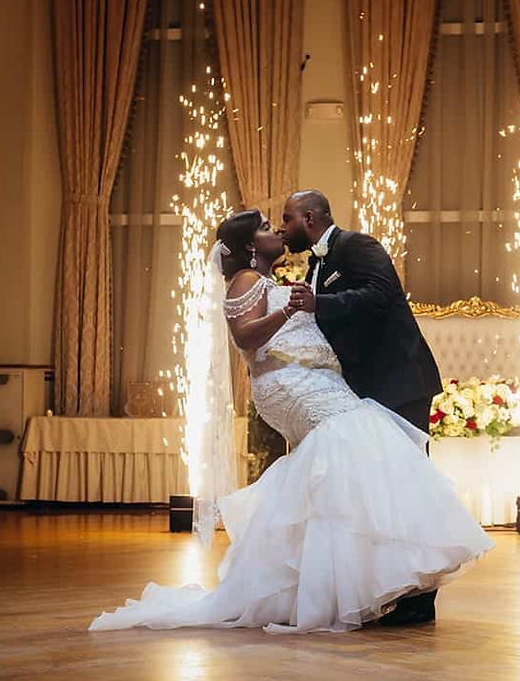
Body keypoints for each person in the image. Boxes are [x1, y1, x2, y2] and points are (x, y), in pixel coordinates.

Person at [88, 209, 492, 635]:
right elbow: (244, 335)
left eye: (279, 220)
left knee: (340, 469)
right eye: (265, 227)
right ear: (249, 246)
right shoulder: (246, 279)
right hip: (292, 385)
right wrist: (289, 311)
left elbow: (364, 302)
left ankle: (345, 588)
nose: (275, 230)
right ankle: (365, 587)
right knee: (363, 442)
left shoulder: (313, 265)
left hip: (313, 381)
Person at [281, 189, 444, 625]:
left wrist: (322, 303)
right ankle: (394, 588)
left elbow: (382, 294)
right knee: (380, 492)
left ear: (310, 217)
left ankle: (421, 599)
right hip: (365, 391)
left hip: (399, 383)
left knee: (408, 489)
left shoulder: (358, 246)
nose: (282, 228)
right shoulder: (314, 265)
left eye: (287, 219)